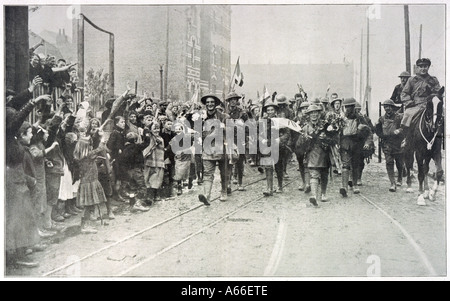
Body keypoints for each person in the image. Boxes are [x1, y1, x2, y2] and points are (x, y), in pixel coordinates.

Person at [399, 58, 441, 147]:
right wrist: (409, 102)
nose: (423, 68)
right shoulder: (412, 80)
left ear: (428, 67)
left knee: (441, 115)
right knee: (407, 115)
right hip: (416, 105)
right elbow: (404, 93)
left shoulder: (433, 80)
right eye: (421, 66)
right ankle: (406, 138)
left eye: (425, 66)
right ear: (417, 67)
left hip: (431, 104)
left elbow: (438, 91)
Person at [198, 94, 230, 205]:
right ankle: (207, 196)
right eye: (207, 103)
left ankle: (224, 191)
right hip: (207, 148)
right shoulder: (201, 117)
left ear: (215, 104)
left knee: (224, 172)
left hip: (222, 148)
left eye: (212, 102)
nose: (209, 104)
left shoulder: (223, 117)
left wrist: (224, 127)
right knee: (207, 173)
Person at [301, 104, 337, 206]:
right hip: (312, 154)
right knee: (314, 174)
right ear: (308, 115)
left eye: (316, 112)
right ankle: (314, 196)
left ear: (319, 113)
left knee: (324, 174)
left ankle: (324, 193)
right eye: (311, 113)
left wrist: (325, 138)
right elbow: (301, 145)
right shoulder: (305, 128)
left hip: (324, 153)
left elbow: (334, 140)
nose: (314, 115)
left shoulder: (326, 126)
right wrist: (305, 140)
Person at [73, 133, 108, 234]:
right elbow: (100, 148)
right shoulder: (88, 155)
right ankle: (85, 225)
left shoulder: (82, 156)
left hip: (89, 182)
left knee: (91, 205)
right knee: (89, 205)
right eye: (89, 145)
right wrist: (102, 138)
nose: (91, 146)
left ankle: (88, 223)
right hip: (89, 182)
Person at [339, 97, 372, 197]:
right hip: (345, 144)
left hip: (357, 145)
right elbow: (337, 132)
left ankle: (354, 185)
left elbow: (369, 132)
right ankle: (344, 187)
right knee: (345, 165)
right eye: (346, 107)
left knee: (355, 165)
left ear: (354, 107)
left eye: (350, 107)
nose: (348, 109)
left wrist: (366, 140)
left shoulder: (360, 118)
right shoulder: (341, 118)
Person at [375, 99, 404, 192]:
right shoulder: (381, 119)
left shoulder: (399, 117)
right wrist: (382, 135)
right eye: (385, 107)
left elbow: (404, 128)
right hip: (387, 143)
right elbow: (377, 129)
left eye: (389, 106)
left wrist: (399, 131)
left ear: (392, 107)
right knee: (389, 162)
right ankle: (392, 183)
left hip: (397, 143)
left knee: (399, 162)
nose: (387, 108)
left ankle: (400, 177)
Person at [120, 132, 151, 211]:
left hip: (129, 171)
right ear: (135, 140)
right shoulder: (136, 147)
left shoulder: (125, 149)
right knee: (142, 187)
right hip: (137, 170)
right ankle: (138, 203)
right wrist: (146, 134)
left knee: (132, 188)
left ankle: (132, 204)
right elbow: (146, 143)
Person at [226, 91, 249, 191]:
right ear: (228, 101)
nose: (233, 102)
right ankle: (228, 184)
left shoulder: (242, 113)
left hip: (240, 139)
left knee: (240, 162)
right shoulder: (225, 113)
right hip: (228, 139)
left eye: (235, 100)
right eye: (231, 100)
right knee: (228, 162)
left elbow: (248, 126)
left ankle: (240, 183)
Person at [143, 122, 166, 202]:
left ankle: (156, 195)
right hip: (150, 161)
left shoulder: (161, 139)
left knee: (157, 178)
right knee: (148, 177)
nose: (157, 130)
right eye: (154, 128)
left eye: (158, 128)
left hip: (158, 161)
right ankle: (149, 196)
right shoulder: (149, 138)